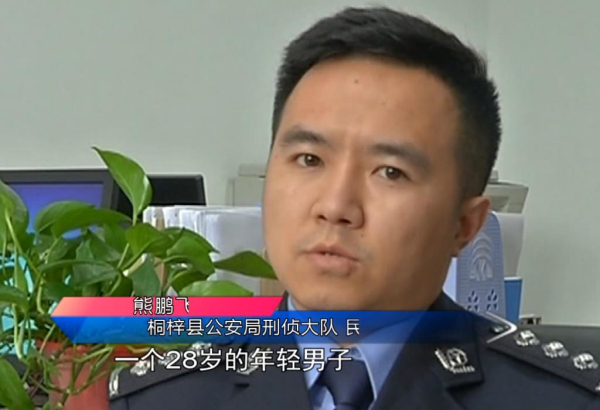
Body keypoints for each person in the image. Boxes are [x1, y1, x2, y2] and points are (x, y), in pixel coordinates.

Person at [109, 7, 600, 409]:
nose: (335, 206)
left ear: (465, 225)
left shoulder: (558, 401)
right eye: (309, 159)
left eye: (390, 172)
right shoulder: (163, 398)